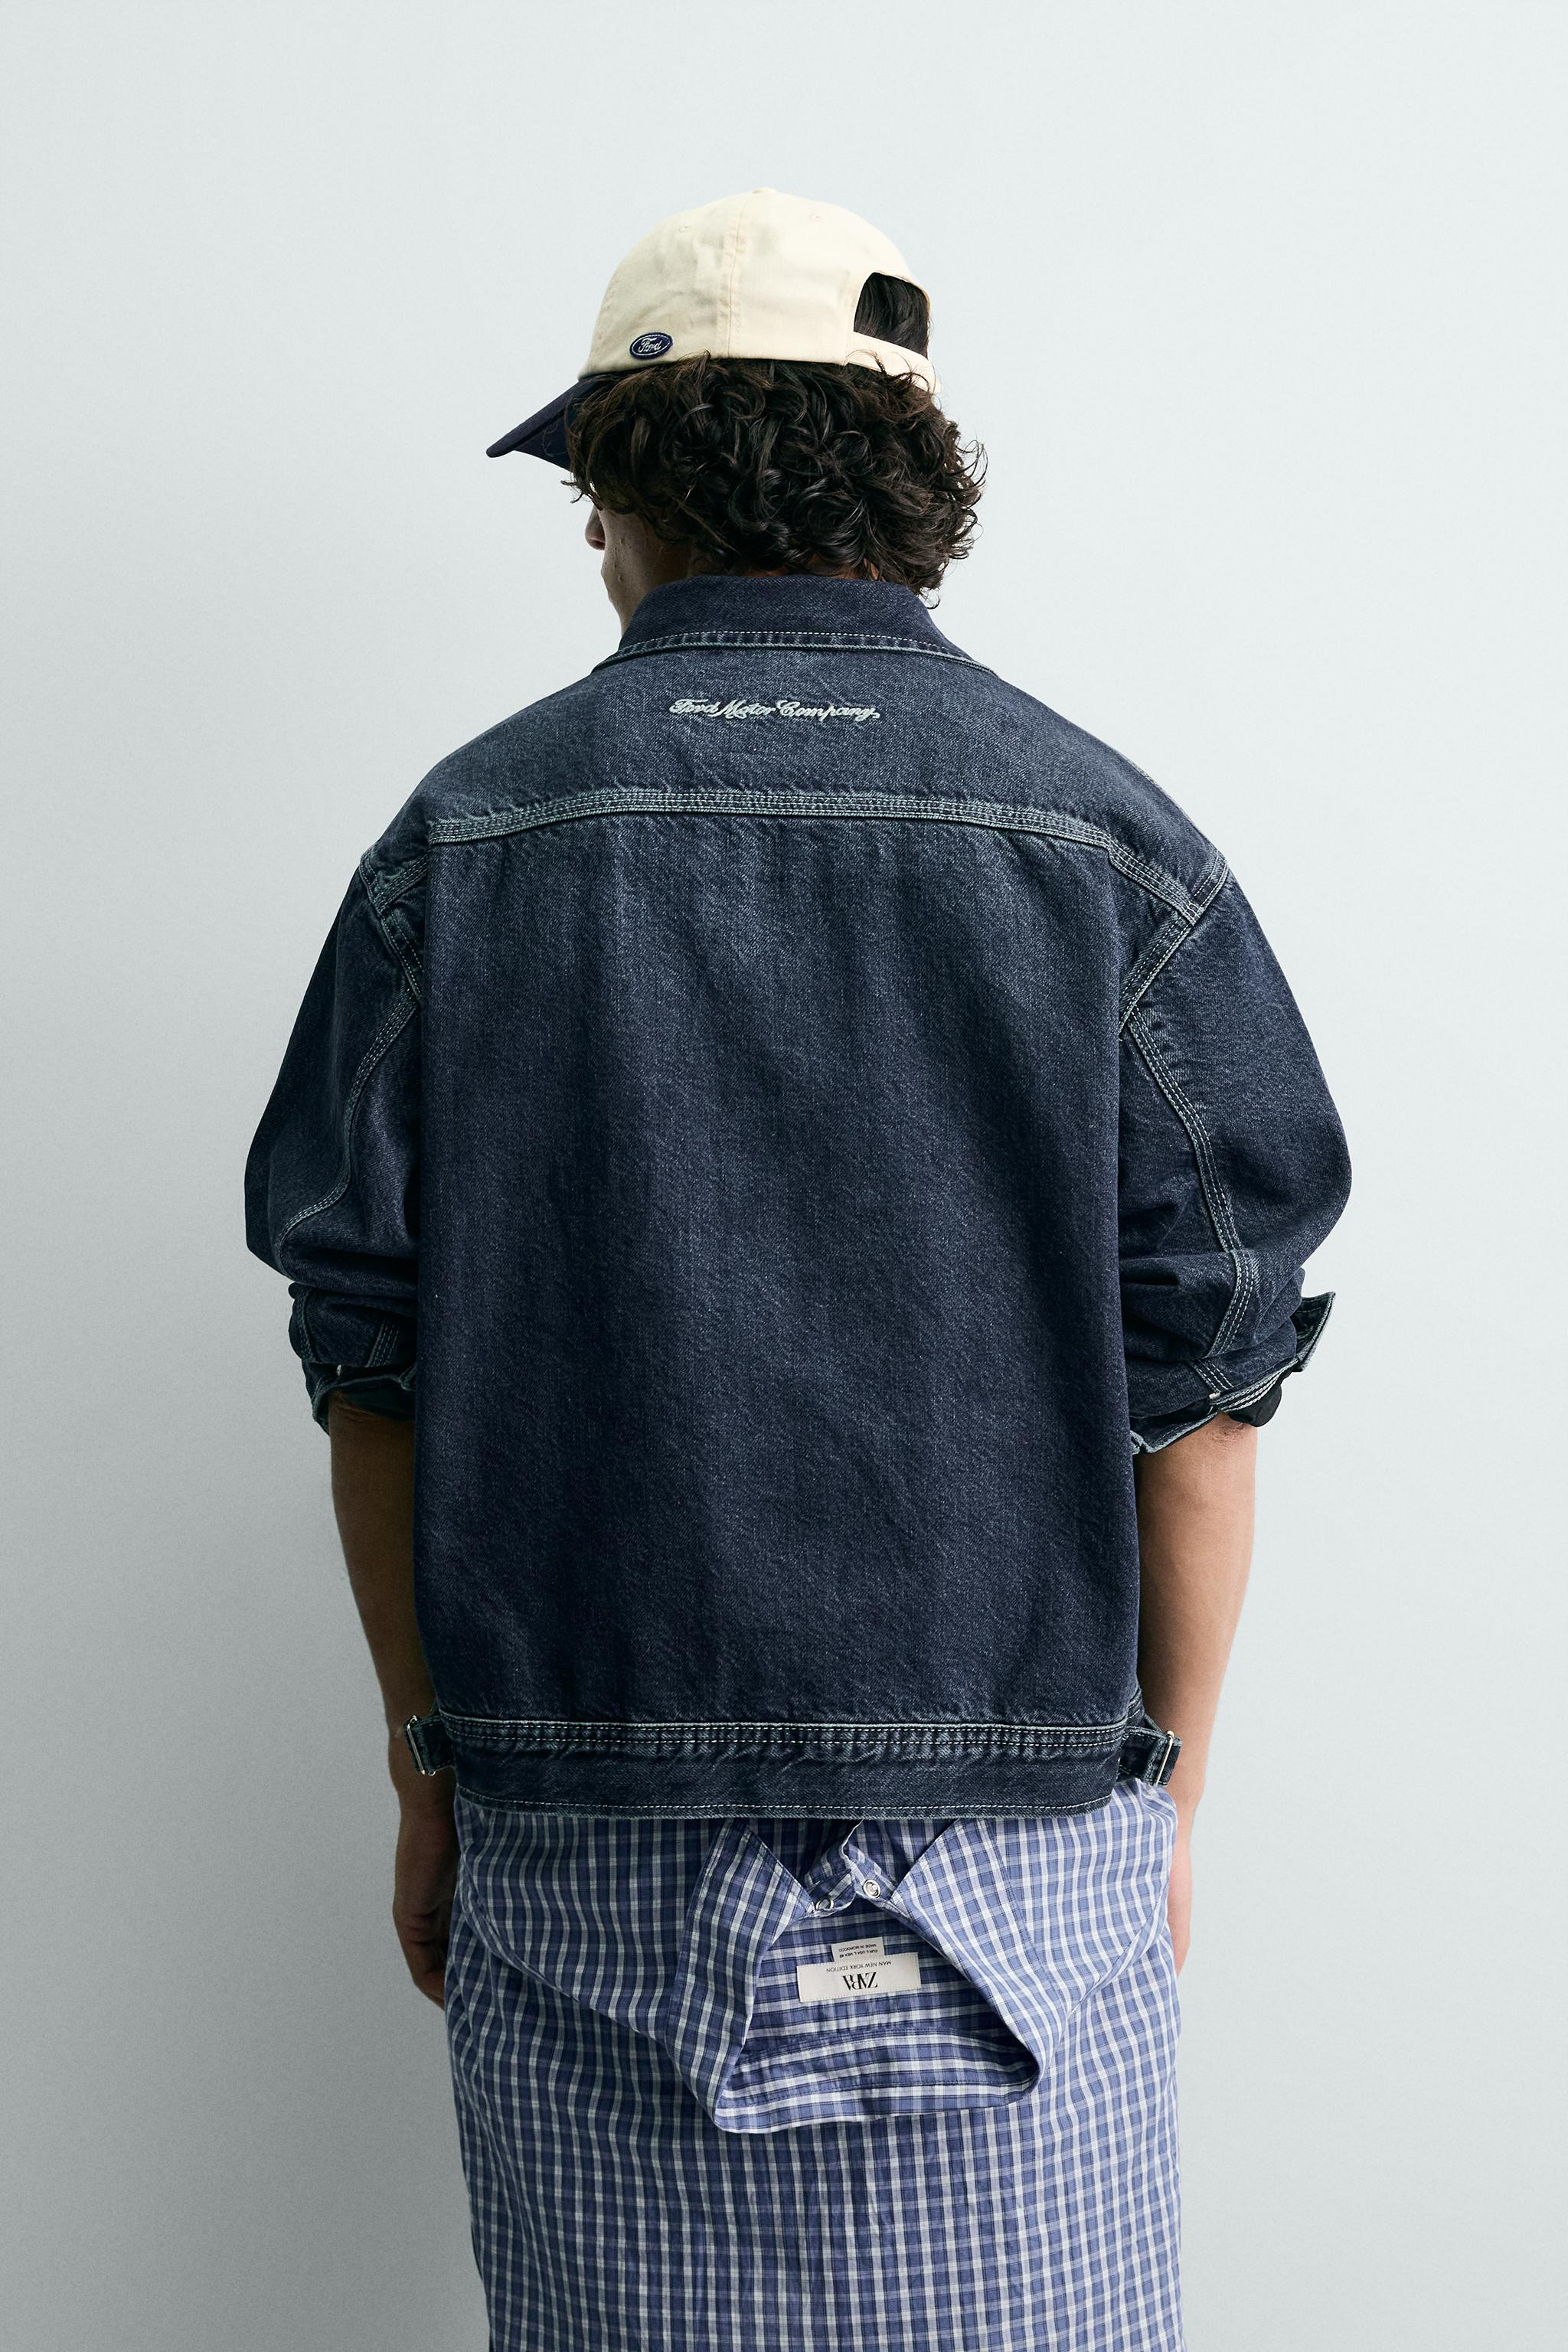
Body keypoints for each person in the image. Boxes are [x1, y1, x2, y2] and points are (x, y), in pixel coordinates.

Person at [246, 187, 1350, 2351]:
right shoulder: (1108, 840)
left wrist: (427, 1762)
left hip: (581, 1818)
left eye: (590, 493)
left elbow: (369, 1362)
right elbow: (1206, 1401)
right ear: (909, 488)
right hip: (1021, 1834)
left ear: (633, 491)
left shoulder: (467, 839)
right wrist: (1168, 1796)